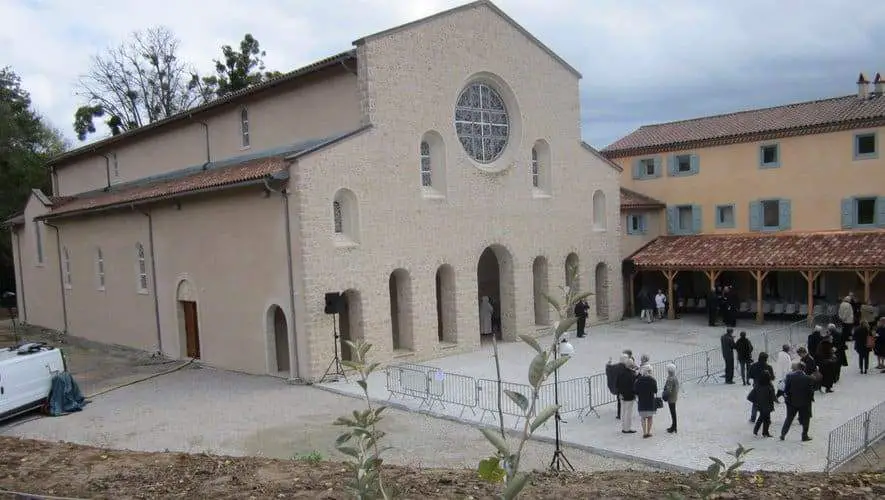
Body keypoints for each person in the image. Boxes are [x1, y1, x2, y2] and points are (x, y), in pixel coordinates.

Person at [780, 361, 815, 442]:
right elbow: (810, 391)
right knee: (806, 419)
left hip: (791, 402)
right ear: (804, 369)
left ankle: (783, 434)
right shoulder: (808, 378)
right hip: (804, 403)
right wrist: (810, 399)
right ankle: (804, 435)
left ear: (797, 368)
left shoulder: (789, 376)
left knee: (789, 419)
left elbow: (786, 390)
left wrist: (787, 400)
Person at [747, 352, 774, 423]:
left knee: (756, 401)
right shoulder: (769, 367)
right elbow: (772, 377)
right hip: (767, 386)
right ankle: (767, 418)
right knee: (767, 402)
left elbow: (750, 375)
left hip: (757, 385)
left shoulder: (753, 366)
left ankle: (753, 417)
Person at [633, 364, 659, 438]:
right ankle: (648, 432)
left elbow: (635, 391)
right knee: (650, 417)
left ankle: (644, 432)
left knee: (643, 418)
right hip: (650, 401)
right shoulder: (652, 380)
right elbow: (655, 390)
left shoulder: (638, 380)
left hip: (642, 401)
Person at [751, 369, 776, 438]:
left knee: (762, 417)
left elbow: (752, 394)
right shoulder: (769, 386)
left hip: (760, 404)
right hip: (767, 405)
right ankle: (765, 432)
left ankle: (757, 430)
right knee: (766, 419)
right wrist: (776, 400)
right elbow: (772, 396)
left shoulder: (758, 385)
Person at [617, 358, 638, 434]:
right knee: (628, 412)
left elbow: (617, 384)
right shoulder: (632, 374)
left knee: (623, 411)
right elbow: (634, 385)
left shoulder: (620, 373)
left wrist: (619, 393)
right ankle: (627, 428)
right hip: (630, 396)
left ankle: (623, 427)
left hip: (622, 395)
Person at [663, 363, 679, 434]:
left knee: (672, 412)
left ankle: (674, 426)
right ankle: (674, 426)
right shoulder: (674, 377)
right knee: (673, 412)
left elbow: (668, 390)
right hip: (674, 396)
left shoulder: (670, 379)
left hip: (671, 398)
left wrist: (664, 395)